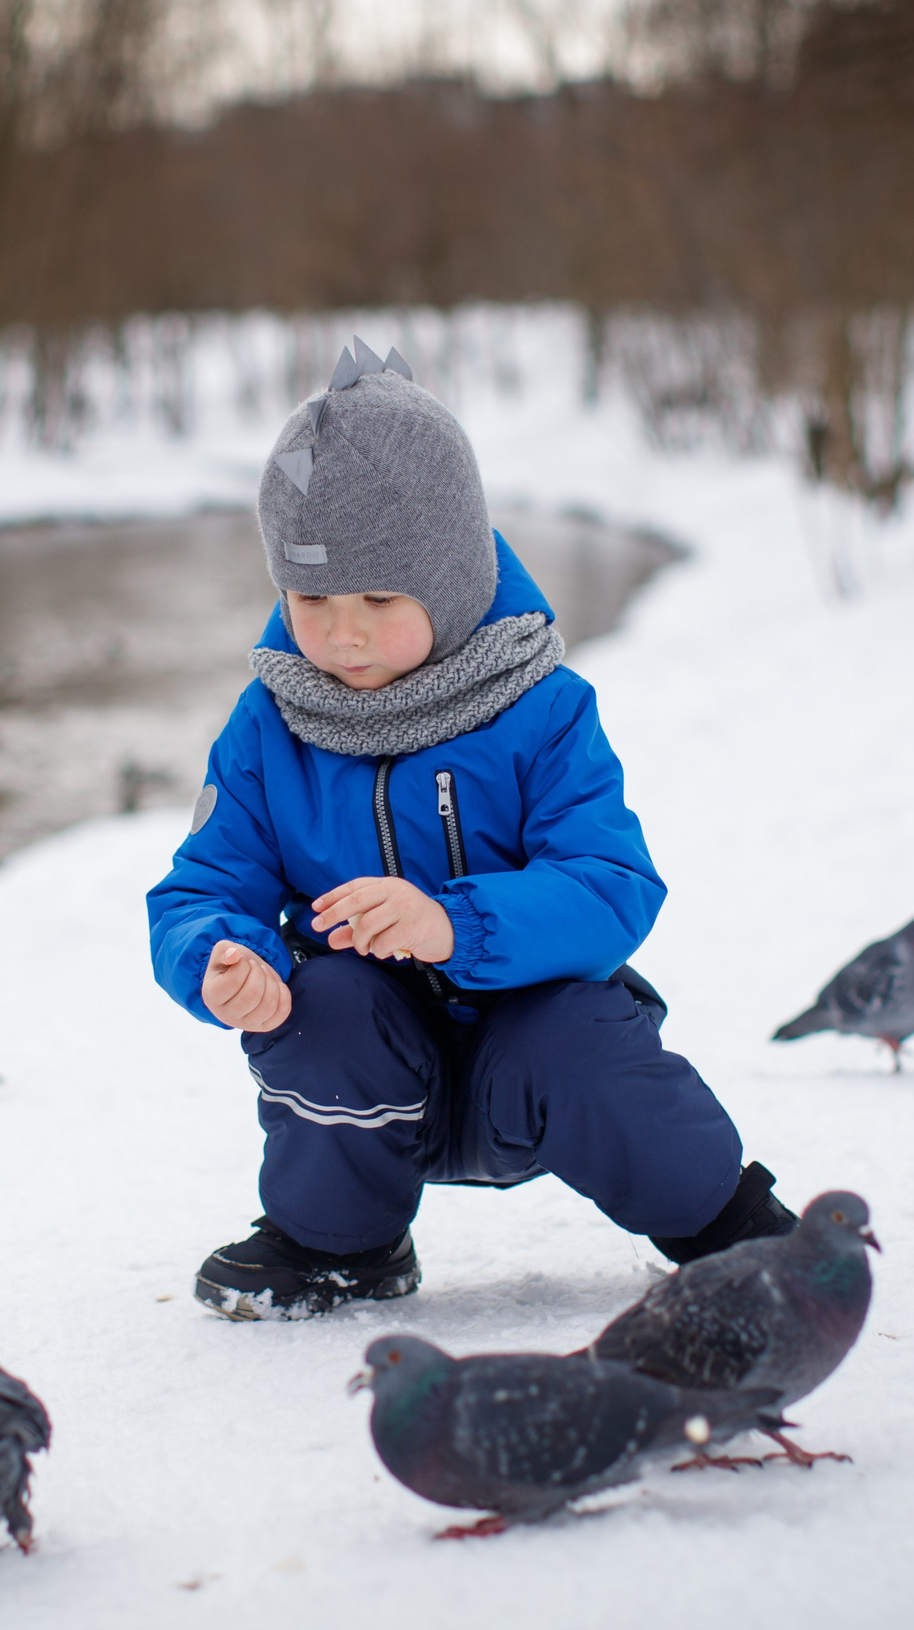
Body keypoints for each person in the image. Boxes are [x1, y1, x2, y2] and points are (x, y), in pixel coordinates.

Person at [146, 339, 795, 1321]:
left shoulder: (541, 710)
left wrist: (454, 925)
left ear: (448, 583)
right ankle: (338, 1247)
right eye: (312, 598)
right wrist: (220, 960)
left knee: (584, 1034)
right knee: (322, 1003)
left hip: (527, 1050)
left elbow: (611, 882)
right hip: (365, 1065)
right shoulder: (267, 726)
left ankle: (721, 1222)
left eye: (378, 599)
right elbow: (202, 887)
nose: (343, 632)